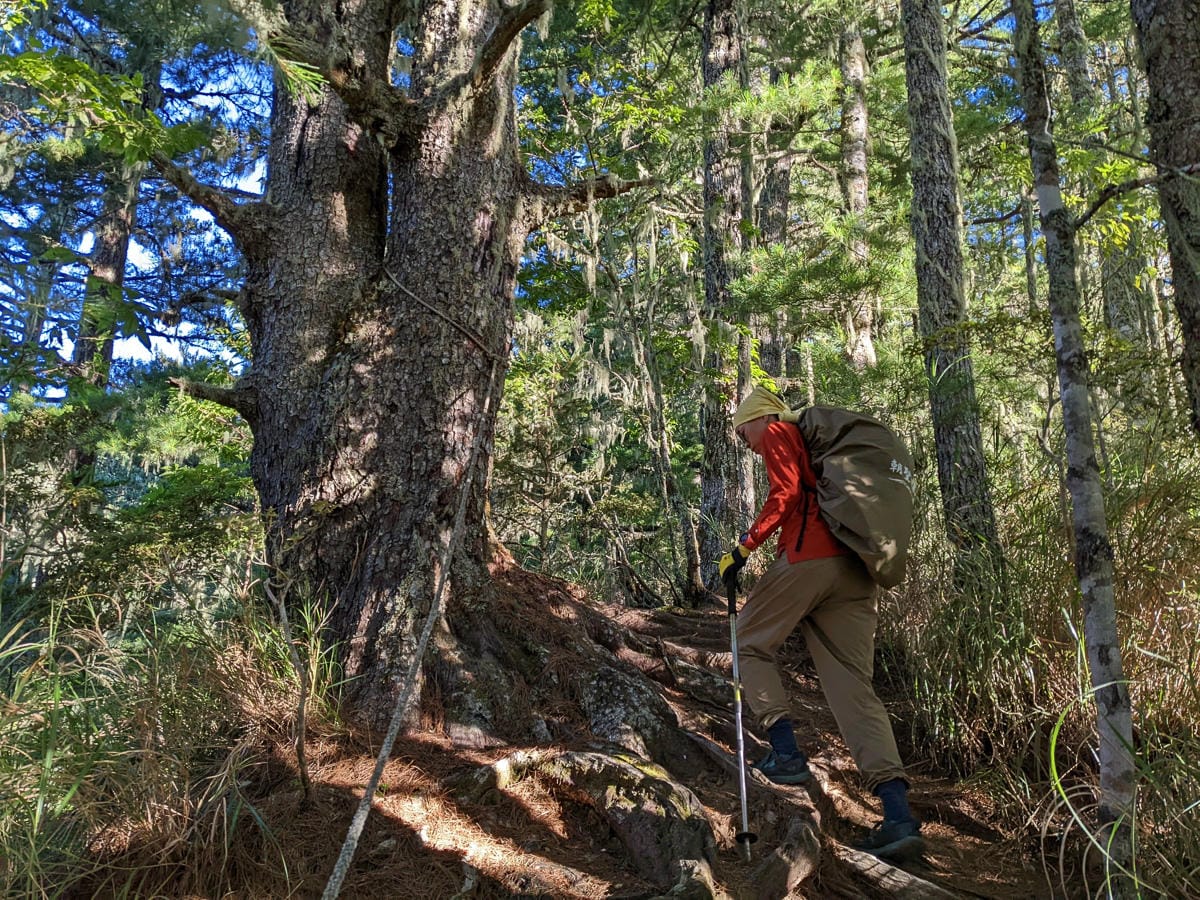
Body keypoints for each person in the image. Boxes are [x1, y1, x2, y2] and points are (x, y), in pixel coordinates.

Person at [717, 385, 923, 862]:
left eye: (741, 430)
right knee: (854, 689)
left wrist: (743, 548)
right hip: (856, 570)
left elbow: (785, 492)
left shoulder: (777, 429)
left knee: (748, 640)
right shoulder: (808, 444)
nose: (743, 440)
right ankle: (897, 816)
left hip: (811, 556)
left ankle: (786, 753)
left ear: (758, 417)